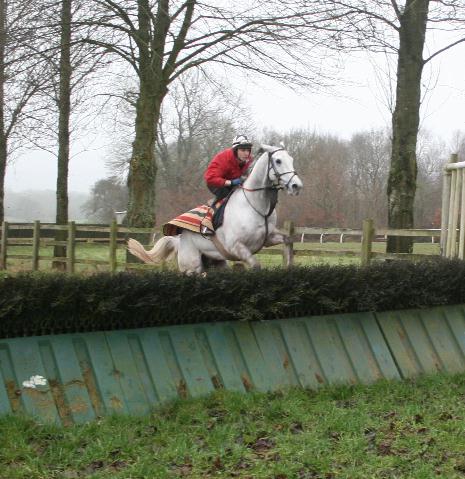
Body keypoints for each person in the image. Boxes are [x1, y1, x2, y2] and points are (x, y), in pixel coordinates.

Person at [204, 134, 254, 201]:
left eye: (248, 150)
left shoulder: (249, 160)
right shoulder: (223, 158)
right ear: (235, 150)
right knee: (230, 198)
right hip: (216, 184)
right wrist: (231, 182)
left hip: (234, 184)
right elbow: (210, 178)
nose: (246, 153)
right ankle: (215, 207)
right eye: (243, 150)